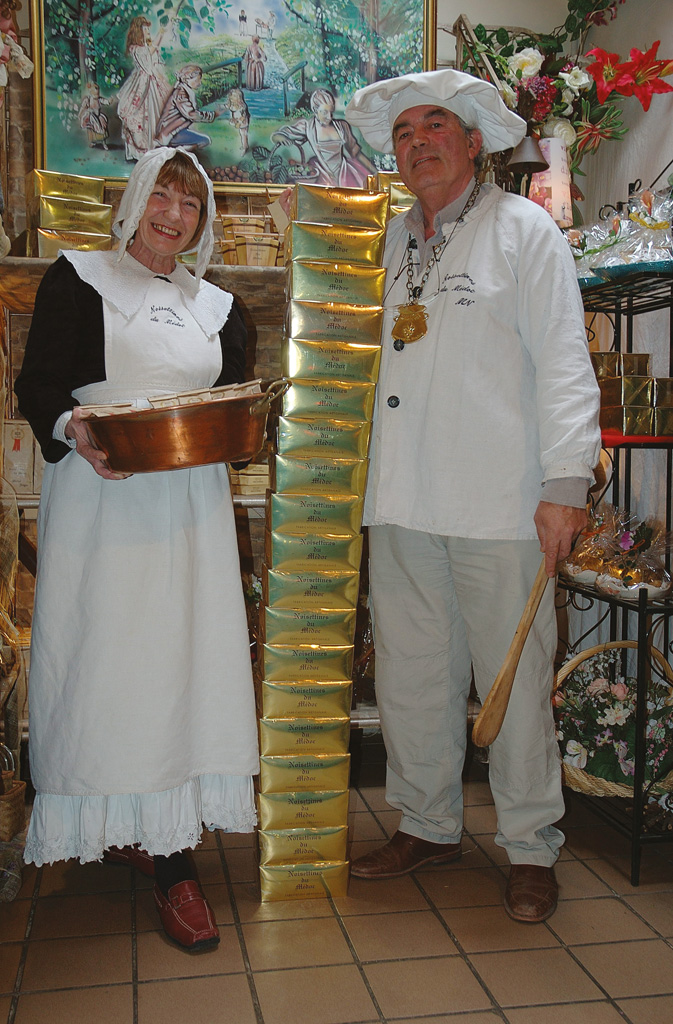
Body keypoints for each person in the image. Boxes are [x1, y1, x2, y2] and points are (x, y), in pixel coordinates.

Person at [343, 69, 601, 923]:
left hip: (500, 501)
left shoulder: (524, 232)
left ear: (473, 142)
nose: (417, 141)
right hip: (401, 496)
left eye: (435, 126)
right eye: (405, 131)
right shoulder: (384, 242)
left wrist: (565, 485)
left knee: (513, 681)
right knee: (412, 677)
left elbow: (566, 363)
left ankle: (530, 844)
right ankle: (428, 822)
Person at [15, 148, 259, 952]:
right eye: (162, 193)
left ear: (203, 219)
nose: (172, 213)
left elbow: (235, 408)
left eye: (189, 202)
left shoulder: (221, 308)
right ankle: (116, 817)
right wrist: (71, 428)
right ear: (134, 199)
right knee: (105, 666)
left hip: (186, 518)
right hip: (101, 505)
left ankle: (174, 858)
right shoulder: (77, 280)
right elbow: (38, 388)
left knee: (179, 667)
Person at [272, 87, 375, 187]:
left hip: (344, 172)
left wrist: (375, 172)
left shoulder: (342, 126)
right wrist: (283, 138)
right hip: (322, 173)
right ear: (315, 110)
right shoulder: (308, 127)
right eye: (325, 112)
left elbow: (355, 152)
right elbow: (276, 136)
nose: (329, 117)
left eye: (331, 112)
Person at [117, 16, 171, 160]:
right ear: (138, 31)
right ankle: (141, 152)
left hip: (151, 82)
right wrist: (161, 33)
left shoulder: (147, 46)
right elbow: (148, 56)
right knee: (141, 114)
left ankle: (154, 150)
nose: (148, 31)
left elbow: (154, 61)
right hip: (141, 84)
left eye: (148, 28)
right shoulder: (135, 49)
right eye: (145, 28)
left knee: (157, 114)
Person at [155, 64, 216, 150]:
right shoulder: (181, 92)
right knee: (205, 140)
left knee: (202, 140)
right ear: (188, 79)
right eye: (198, 80)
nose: (200, 83)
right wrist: (211, 115)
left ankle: (176, 152)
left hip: (176, 130)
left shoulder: (184, 90)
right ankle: (175, 153)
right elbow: (190, 114)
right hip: (171, 132)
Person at [218, 86, 250, 155]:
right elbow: (227, 106)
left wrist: (239, 122)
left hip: (242, 122)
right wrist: (220, 106)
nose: (232, 98)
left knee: (243, 134)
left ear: (239, 98)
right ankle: (245, 145)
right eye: (231, 96)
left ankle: (245, 147)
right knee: (242, 134)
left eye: (234, 96)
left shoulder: (242, 106)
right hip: (236, 120)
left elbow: (243, 116)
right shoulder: (232, 104)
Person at [78, 80, 110, 150]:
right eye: (95, 94)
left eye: (98, 94)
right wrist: (80, 114)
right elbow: (83, 107)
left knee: (102, 128)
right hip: (91, 117)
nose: (97, 96)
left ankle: (104, 143)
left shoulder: (99, 99)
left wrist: (108, 101)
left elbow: (104, 101)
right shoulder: (88, 99)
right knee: (91, 130)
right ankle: (93, 142)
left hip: (98, 116)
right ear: (91, 93)